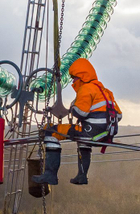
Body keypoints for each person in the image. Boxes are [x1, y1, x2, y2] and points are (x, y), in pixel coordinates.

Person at [32, 58, 122, 186]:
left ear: (81, 77)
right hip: (107, 134)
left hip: (92, 133)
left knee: (51, 132)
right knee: (83, 141)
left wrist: (72, 107)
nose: (72, 82)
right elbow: (119, 115)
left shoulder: (86, 89)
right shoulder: (105, 91)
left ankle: (50, 175)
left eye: (74, 78)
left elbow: (80, 113)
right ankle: (82, 176)